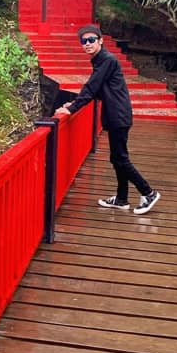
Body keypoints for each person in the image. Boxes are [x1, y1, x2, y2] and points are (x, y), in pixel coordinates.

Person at [55, 24, 160, 215]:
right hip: (115, 115)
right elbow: (96, 89)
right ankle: (121, 199)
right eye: (83, 41)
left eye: (91, 40)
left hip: (118, 115)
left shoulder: (107, 60)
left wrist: (71, 108)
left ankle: (148, 192)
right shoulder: (100, 60)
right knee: (117, 158)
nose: (87, 44)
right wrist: (72, 105)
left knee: (120, 158)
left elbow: (91, 87)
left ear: (100, 41)